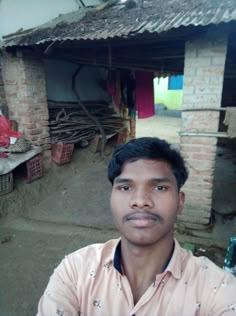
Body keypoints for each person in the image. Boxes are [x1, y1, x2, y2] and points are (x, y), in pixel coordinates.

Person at [37, 137, 236, 316]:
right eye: (125, 187)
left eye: (159, 187)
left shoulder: (217, 290)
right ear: (111, 197)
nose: (140, 201)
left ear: (180, 202)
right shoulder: (75, 272)